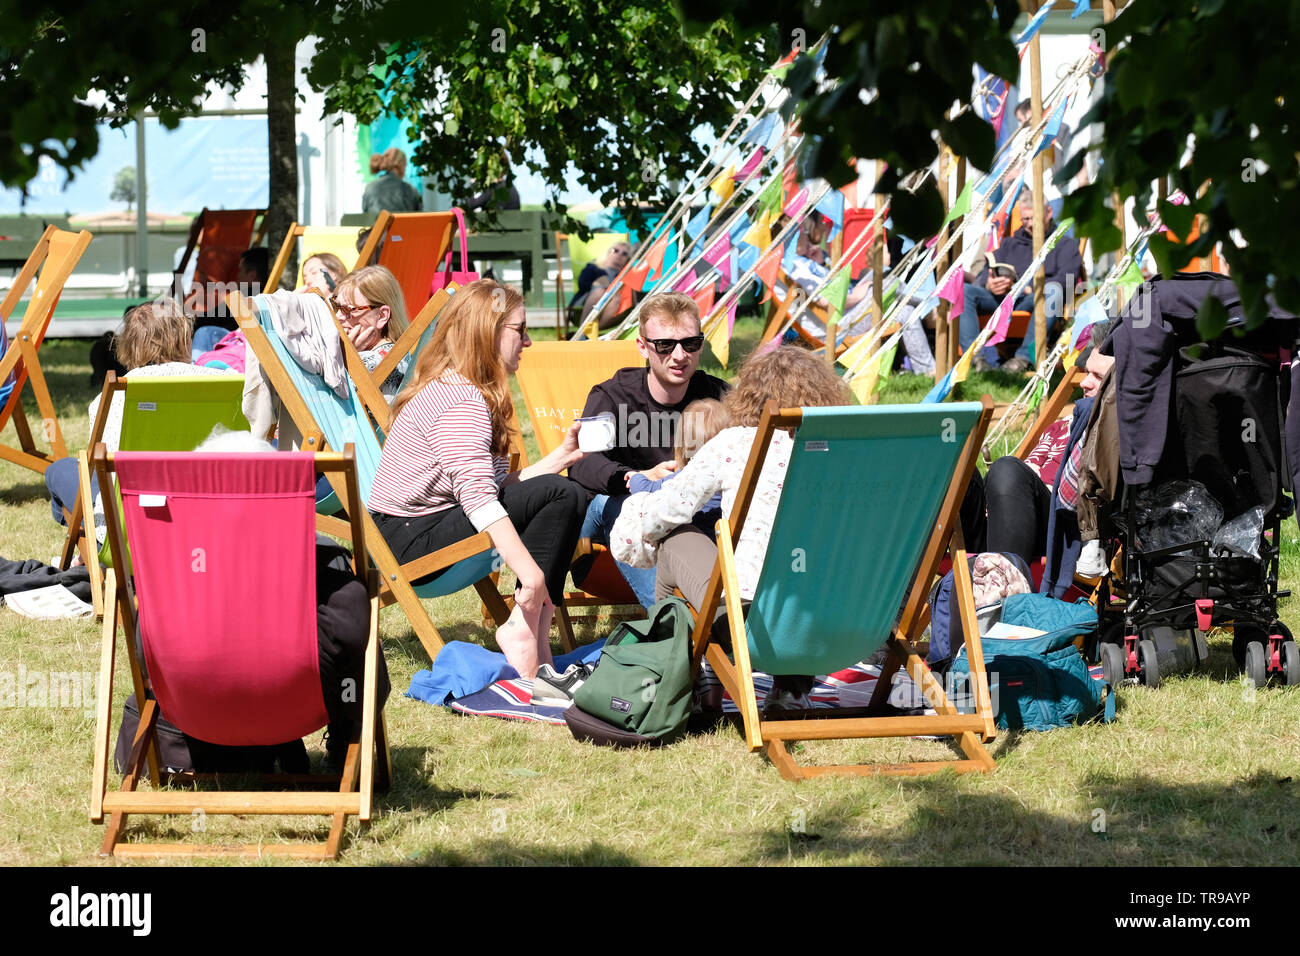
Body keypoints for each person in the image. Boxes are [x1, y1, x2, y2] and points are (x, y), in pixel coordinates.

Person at [367, 279, 587, 679]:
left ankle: (530, 626)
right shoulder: (460, 399)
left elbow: (493, 488)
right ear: (487, 331)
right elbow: (480, 500)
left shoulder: (469, 390)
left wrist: (559, 458)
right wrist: (532, 577)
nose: (528, 342)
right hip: (410, 545)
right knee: (561, 493)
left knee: (563, 489)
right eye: (520, 330)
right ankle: (525, 622)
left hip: (420, 528)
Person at [611, 346, 852, 710]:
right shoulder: (845, 453)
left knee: (674, 536)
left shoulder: (736, 444)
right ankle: (792, 689)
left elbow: (665, 511)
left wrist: (632, 514)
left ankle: (689, 670)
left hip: (754, 628)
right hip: (837, 623)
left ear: (750, 394)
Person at [194, 428, 391, 774]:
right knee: (355, 648)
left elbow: (143, 650)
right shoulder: (319, 564)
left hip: (197, 705)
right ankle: (346, 740)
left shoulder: (180, 570)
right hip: (295, 698)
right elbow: (348, 636)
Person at [568, 292, 729, 608]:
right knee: (626, 503)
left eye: (690, 344)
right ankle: (672, 624)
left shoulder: (717, 396)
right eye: (665, 346)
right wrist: (633, 476)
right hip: (609, 528)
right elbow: (582, 464)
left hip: (691, 527)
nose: (679, 355)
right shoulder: (613, 396)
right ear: (642, 346)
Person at [46, 300, 230, 548]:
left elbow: (103, 475)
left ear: (130, 345)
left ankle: (90, 557)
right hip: (205, 527)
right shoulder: (225, 385)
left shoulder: (116, 394)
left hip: (129, 536)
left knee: (59, 470)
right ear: (185, 338)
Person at [981, 319, 1117, 579]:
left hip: (1061, 528)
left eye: (1098, 377)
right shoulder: (1060, 425)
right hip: (1004, 520)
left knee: (1007, 469)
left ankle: (1003, 600)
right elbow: (1030, 468)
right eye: (1086, 373)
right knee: (945, 474)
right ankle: (899, 611)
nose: (1084, 383)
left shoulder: (1113, 431)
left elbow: (1072, 499)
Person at [957, 189, 1082, 373]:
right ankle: (977, 360)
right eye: (1025, 219)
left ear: (1048, 213)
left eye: (1033, 218)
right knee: (964, 291)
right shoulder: (1009, 244)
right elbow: (985, 271)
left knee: (1052, 292)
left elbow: (1068, 280)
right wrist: (988, 283)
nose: (1029, 224)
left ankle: (1022, 360)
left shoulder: (1065, 245)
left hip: (1037, 301)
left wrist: (1030, 288)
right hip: (1002, 301)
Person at [332, 265, 411, 399]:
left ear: (381, 316)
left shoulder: (381, 360)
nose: (338, 316)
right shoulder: (396, 350)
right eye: (336, 306)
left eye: (348, 310)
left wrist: (346, 356)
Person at [569, 240, 631, 328]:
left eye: (624, 254)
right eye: (615, 250)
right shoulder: (593, 268)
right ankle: (585, 331)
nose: (619, 255)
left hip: (613, 308)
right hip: (583, 306)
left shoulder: (626, 276)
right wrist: (600, 282)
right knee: (599, 291)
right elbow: (582, 285)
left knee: (618, 298)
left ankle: (588, 333)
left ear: (628, 259)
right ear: (608, 253)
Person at [362, 148, 422, 215]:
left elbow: (366, 213)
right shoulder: (409, 189)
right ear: (399, 164)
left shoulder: (370, 187)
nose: (405, 169)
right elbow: (418, 216)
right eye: (405, 164)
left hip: (376, 225)